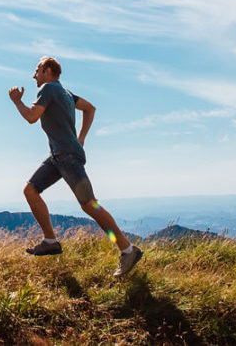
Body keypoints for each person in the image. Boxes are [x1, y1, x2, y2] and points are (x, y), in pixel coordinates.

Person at [8, 56, 142, 277]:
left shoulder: (48, 89)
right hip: (59, 156)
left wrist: (17, 101)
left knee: (90, 205)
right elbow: (90, 108)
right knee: (30, 190)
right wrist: (81, 139)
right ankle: (50, 240)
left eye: (37, 70)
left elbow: (32, 117)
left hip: (67, 156)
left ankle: (128, 249)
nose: (34, 75)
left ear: (47, 70)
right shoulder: (67, 93)